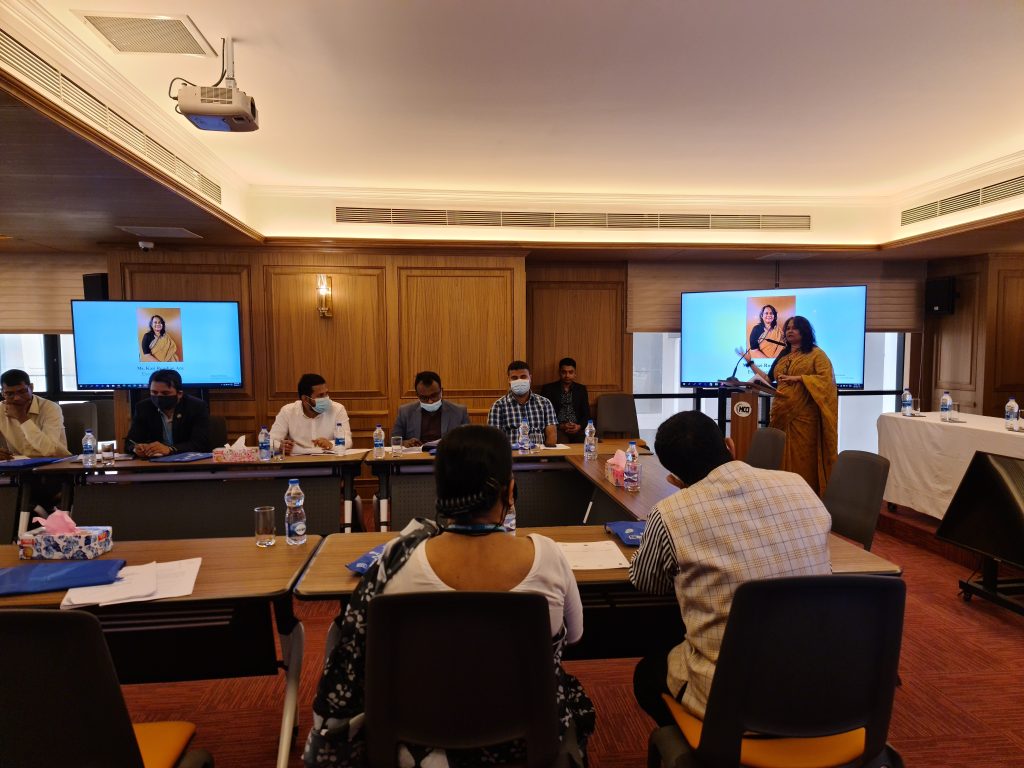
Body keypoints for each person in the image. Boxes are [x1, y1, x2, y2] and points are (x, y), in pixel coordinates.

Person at [304, 425, 595, 766]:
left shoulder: (397, 560)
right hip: (525, 744)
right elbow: (574, 636)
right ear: (510, 491)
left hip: (415, 743)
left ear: (440, 491)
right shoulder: (548, 556)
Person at [629, 410, 831, 726]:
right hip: (824, 687)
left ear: (674, 479)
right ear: (730, 445)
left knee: (647, 675)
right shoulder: (799, 485)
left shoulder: (670, 512)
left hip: (735, 698)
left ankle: (702, 744)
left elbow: (647, 583)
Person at [742, 316, 838, 494]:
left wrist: (799, 378)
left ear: (804, 331)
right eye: (787, 328)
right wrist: (750, 362)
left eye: (795, 328)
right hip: (781, 415)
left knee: (802, 461)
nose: (790, 331)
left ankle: (804, 496)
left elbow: (826, 381)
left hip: (804, 420)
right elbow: (769, 378)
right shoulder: (783, 354)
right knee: (779, 458)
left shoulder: (816, 354)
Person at [125, 369, 211, 457]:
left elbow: (200, 443)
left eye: (165, 393)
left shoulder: (196, 407)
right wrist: (136, 448)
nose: (158, 396)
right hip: (154, 462)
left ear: (179, 394)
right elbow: (130, 442)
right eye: (154, 392)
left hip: (188, 461)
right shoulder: (143, 408)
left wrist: (170, 449)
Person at [270, 373, 351, 455]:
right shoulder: (288, 411)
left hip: (327, 459)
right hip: (298, 460)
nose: (326, 398)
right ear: (305, 398)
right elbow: (270, 441)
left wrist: (331, 444)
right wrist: (280, 446)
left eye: (326, 393)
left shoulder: (337, 409)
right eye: (320, 395)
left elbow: (347, 441)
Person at [0, 369, 70, 459]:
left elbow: (49, 450)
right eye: (10, 394)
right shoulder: (1, 409)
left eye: (22, 392)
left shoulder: (50, 408)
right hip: (18, 464)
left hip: (55, 462)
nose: (17, 398)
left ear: (31, 387)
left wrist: (21, 417)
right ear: (2, 393)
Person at [487, 360, 557, 446]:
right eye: (514, 378)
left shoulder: (545, 403)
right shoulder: (498, 406)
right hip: (510, 453)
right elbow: (493, 440)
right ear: (509, 380)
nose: (519, 381)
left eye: (523, 377)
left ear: (530, 378)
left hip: (538, 453)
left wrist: (545, 454)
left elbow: (552, 437)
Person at [391, 371, 469, 447]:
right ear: (417, 395)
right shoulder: (405, 411)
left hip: (446, 454)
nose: (430, 401)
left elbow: (469, 441)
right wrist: (405, 442)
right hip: (417, 454)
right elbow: (394, 441)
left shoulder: (459, 412)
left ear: (441, 391)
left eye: (434, 395)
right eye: (424, 397)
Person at [540, 357, 591, 444]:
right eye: (564, 372)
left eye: (570, 372)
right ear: (559, 372)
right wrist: (561, 426)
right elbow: (543, 414)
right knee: (562, 444)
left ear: (575, 373)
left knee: (590, 443)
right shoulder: (548, 389)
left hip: (577, 429)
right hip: (557, 429)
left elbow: (586, 414)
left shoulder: (581, 389)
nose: (567, 375)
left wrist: (579, 426)